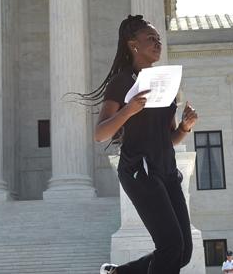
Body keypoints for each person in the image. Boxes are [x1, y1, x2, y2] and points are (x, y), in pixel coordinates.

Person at [93, 15, 199, 274]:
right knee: (171, 245)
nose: (157, 43)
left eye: (158, 39)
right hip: (139, 170)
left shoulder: (165, 83)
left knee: (183, 252)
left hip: (166, 171)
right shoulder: (122, 81)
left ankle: (119, 273)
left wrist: (185, 127)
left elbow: (169, 138)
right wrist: (128, 110)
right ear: (133, 45)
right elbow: (100, 133)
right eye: (150, 38)